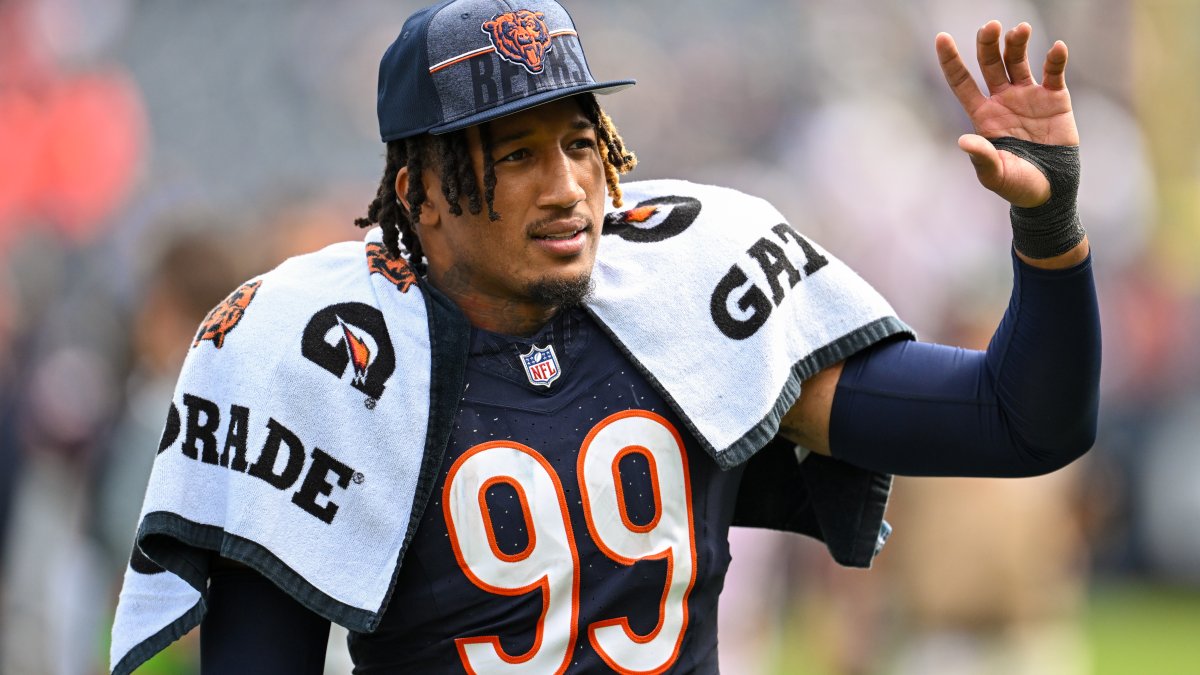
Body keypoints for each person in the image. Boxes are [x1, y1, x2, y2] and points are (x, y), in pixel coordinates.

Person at [109, 0, 1100, 673]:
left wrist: (1048, 229)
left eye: (582, 143)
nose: (568, 185)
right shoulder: (317, 358)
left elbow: (1021, 424)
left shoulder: (681, 298)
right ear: (418, 196)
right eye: (518, 155)